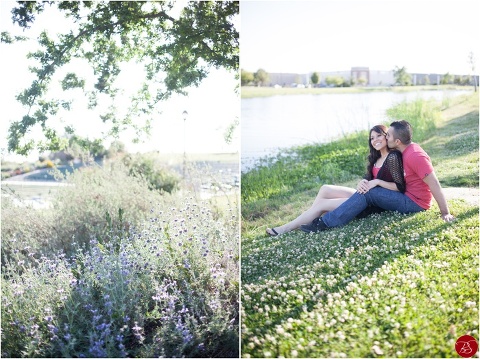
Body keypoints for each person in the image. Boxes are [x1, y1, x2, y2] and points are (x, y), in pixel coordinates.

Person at [300, 120, 455, 233]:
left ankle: (325, 223)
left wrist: (445, 212)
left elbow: (434, 183)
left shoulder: (415, 155)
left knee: (370, 192)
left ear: (397, 141)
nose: (385, 139)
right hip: (405, 196)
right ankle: (319, 217)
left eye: (388, 137)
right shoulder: (403, 151)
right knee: (368, 189)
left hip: (415, 203)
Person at [266, 124, 405, 236]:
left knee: (322, 204)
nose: (375, 140)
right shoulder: (376, 158)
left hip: (371, 203)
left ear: (387, 136)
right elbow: (369, 179)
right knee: (325, 188)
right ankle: (311, 216)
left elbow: (399, 187)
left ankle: (285, 228)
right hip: (364, 194)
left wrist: (377, 182)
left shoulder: (392, 157)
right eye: (372, 138)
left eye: (379, 135)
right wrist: (362, 182)